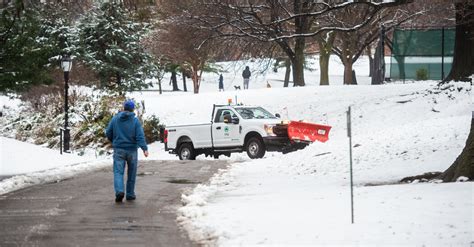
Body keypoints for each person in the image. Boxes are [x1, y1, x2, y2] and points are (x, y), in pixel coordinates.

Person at [106, 99, 149, 203]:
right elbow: (139, 136)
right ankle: (130, 194)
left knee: (118, 172)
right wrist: (144, 148)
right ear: (133, 109)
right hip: (132, 150)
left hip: (119, 150)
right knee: (132, 173)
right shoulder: (135, 121)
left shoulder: (115, 119)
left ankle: (119, 191)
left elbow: (108, 132)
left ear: (124, 108)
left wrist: (114, 141)